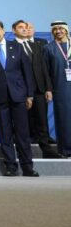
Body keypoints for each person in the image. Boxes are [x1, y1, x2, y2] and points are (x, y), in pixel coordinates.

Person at [0, 19, 38, 177]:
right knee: (5, 134)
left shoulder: (16, 46)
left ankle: (27, 167)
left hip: (19, 96)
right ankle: (11, 166)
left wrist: (30, 95)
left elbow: (27, 72)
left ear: (3, 30)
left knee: (23, 133)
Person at [12, 20, 62, 158]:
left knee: (42, 121)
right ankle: (24, 153)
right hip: (21, 91)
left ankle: (46, 150)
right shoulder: (11, 46)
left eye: (25, 27)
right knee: (23, 123)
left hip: (39, 90)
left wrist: (48, 88)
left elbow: (44, 69)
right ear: (14, 30)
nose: (24, 29)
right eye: (20, 27)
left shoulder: (35, 46)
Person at [45, 21, 71, 157]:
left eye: (61, 28)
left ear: (66, 30)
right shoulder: (48, 48)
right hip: (60, 88)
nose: (58, 31)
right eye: (55, 29)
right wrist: (48, 89)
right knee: (64, 119)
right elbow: (46, 72)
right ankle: (66, 149)